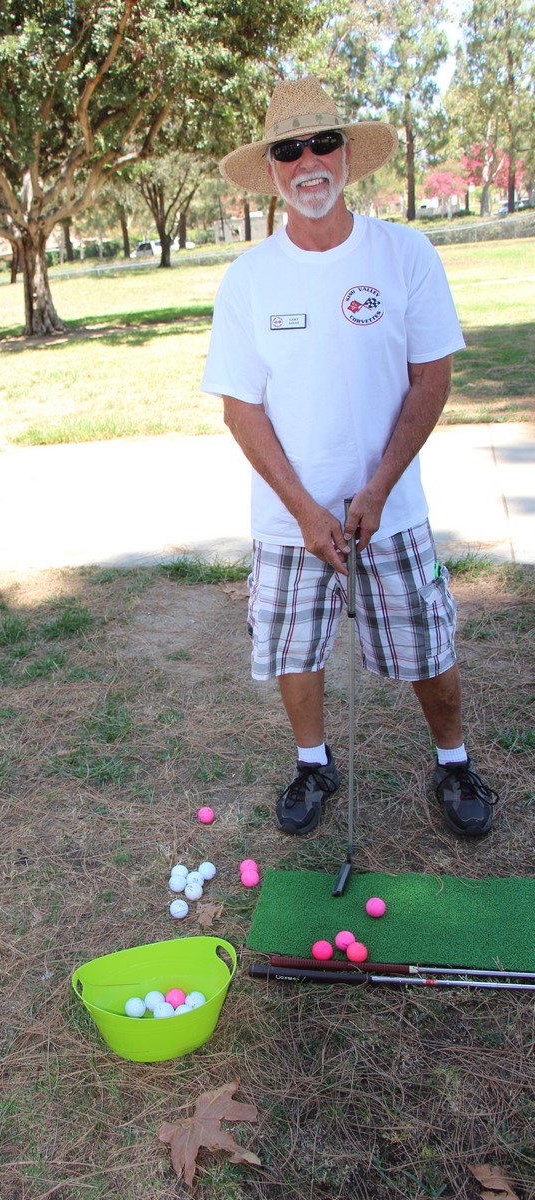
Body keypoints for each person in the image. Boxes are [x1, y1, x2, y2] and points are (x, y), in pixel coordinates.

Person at [201, 77, 499, 838]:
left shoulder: (404, 253)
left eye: (322, 143)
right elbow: (241, 408)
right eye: (289, 150)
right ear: (273, 169)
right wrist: (307, 512)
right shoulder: (248, 279)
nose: (308, 162)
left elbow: (432, 377)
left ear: (345, 156)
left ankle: (454, 762)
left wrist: (378, 487)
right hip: (288, 521)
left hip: (390, 509)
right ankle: (313, 763)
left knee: (427, 644)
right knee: (293, 651)